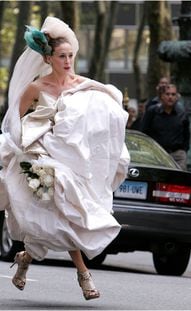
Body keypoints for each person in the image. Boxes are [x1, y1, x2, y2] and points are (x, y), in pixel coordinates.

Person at [0, 17, 129, 300]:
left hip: (71, 162)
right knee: (53, 214)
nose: (69, 61)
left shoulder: (85, 86)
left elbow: (104, 115)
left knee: (59, 217)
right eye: (62, 56)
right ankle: (84, 275)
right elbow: (15, 123)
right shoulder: (35, 88)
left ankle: (24, 260)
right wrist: (33, 138)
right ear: (49, 58)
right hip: (38, 160)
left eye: (71, 55)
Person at [140, 84, 190, 170]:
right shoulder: (152, 112)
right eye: (167, 94)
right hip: (156, 154)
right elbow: (144, 131)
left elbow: (186, 134)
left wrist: (183, 150)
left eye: (173, 94)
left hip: (177, 155)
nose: (170, 97)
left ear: (177, 97)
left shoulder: (182, 113)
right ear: (162, 96)